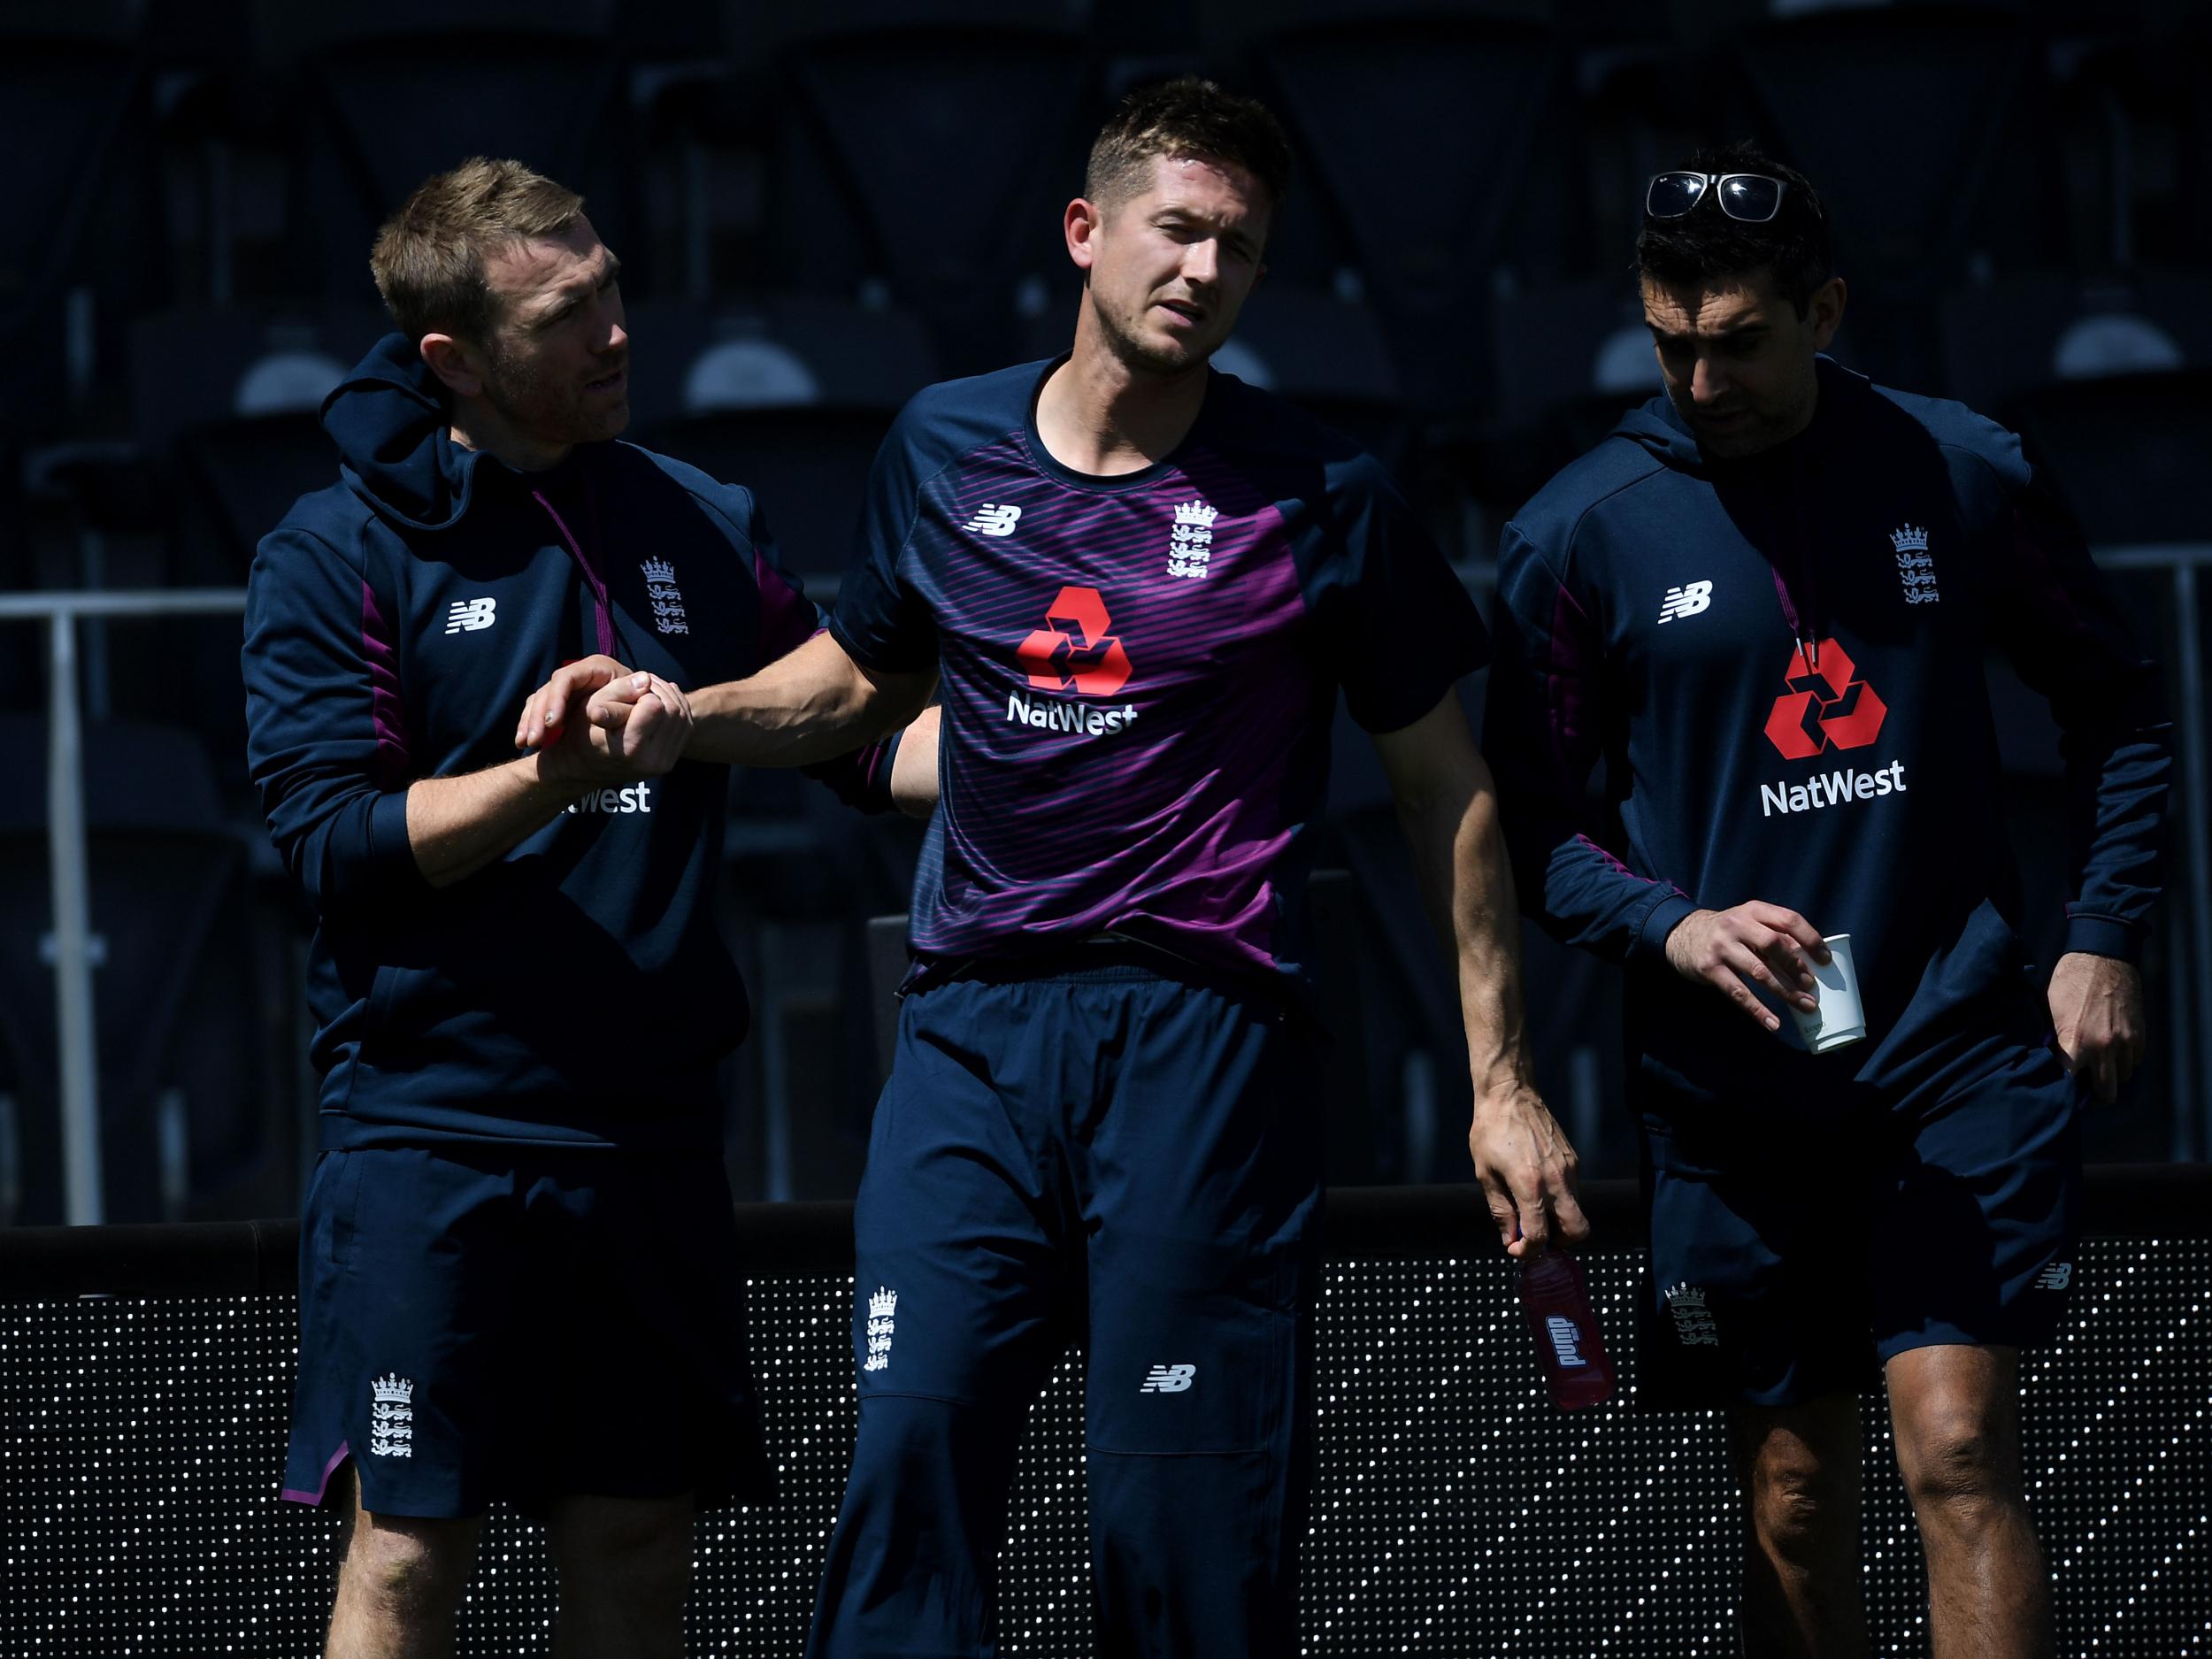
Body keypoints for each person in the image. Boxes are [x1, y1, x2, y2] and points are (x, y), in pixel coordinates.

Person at [521, 77, 1586, 1658]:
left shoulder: (1325, 494)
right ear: (1087, 232)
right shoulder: (942, 444)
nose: (1205, 271)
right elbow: (854, 682)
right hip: (968, 1038)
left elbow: (1452, 791)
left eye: (1239, 247)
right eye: (1177, 230)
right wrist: (685, 712)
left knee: (1184, 1521)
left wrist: (1502, 1081)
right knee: (908, 1465)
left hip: (1205, 1041)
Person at [1482, 141, 2170, 1657]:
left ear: (1829, 311)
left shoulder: (1961, 469)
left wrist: (2102, 934)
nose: (1702, 383)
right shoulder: (1575, 533)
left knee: (1961, 1449)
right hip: (1730, 1086)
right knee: (1792, 1492)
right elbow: (1525, 832)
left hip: (1955, 1046)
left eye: (1739, 344)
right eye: (1672, 346)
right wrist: (1669, 924)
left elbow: (2122, 706)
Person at [243, 157, 925, 1659]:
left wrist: (1087, 738)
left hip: (653, 1137)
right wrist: (546, 780)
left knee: (636, 1533)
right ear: (455, 362)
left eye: (614, 285)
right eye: (568, 313)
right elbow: (334, 842)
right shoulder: (332, 551)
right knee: (412, 1547)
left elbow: (854, 739)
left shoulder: (697, 512)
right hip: (433, 1137)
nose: (618, 330)